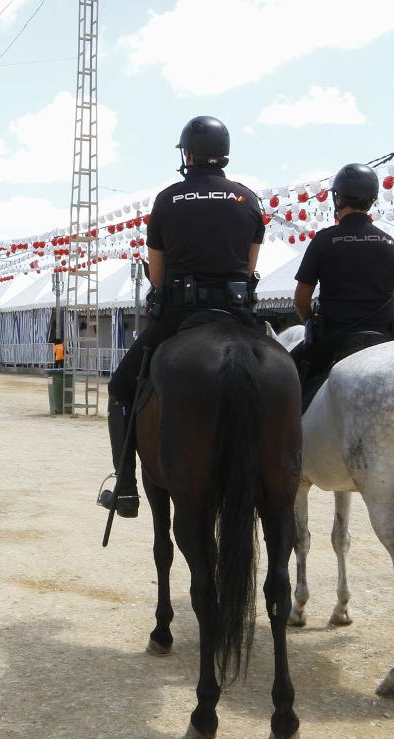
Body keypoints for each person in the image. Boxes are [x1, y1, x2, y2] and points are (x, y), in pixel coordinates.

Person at [98, 115, 265, 519]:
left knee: (121, 388)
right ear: (224, 154)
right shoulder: (248, 199)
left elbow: (156, 275)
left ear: (187, 154)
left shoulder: (168, 199)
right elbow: (249, 267)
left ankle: (125, 488)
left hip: (179, 314)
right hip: (237, 315)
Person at [292, 162, 394, 400]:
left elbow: (301, 299)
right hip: (383, 336)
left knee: (286, 377)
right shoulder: (390, 243)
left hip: (334, 338)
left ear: (339, 198)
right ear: (372, 200)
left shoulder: (323, 241)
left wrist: (310, 321)